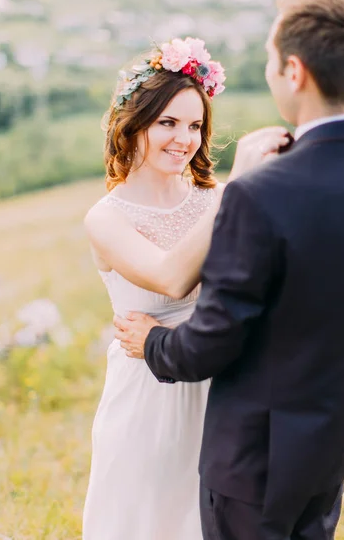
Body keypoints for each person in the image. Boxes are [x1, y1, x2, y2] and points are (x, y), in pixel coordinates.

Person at [113, 0, 344, 540]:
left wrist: (151, 342)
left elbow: (212, 339)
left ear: (295, 72)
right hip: (337, 438)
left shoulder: (261, 193)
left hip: (256, 455)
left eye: (268, 59)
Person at [82, 37, 288, 539]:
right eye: (167, 123)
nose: (184, 139)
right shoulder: (105, 219)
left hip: (223, 384)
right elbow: (172, 278)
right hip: (148, 395)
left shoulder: (213, 197)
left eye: (195, 125)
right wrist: (237, 191)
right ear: (133, 125)